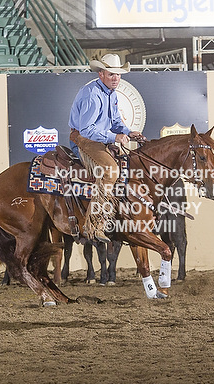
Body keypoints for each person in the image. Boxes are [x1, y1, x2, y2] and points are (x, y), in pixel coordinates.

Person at [68, 53, 146, 244]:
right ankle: (94, 223)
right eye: (111, 74)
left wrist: (128, 132)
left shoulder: (111, 94)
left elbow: (116, 121)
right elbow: (87, 130)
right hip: (83, 139)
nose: (115, 78)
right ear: (101, 74)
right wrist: (114, 137)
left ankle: (118, 214)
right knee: (110, 170)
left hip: (98, 140)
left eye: (118, 74)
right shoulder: (92, 94)